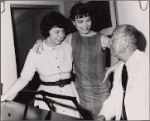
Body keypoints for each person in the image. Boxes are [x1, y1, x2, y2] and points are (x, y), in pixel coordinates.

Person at [33, 3, 112, 119]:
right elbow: (53, 43)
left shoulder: (101, 39)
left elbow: (125, 51)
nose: (85, 25)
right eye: (80, 22)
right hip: (81, 93)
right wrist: (39, 41)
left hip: (101, 91)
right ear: (73, 22)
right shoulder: (70, 38)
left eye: (88, 20)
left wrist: (113, 67)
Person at [1, 11, 80, 118]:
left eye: (63, 31)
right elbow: (24, 78)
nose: (61, 35)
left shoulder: (67, 46)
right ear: (47, 31)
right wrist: (4, 97)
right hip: (48, 97)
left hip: (70, 94)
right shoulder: (36, 52)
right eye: (57, 31)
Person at [96, 24, 149, 120]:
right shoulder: (120, 67)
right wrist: (103, 116)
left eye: (113, 38)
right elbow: (115, 98)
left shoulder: (147, 64)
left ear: (125, 43)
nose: (110, 42)